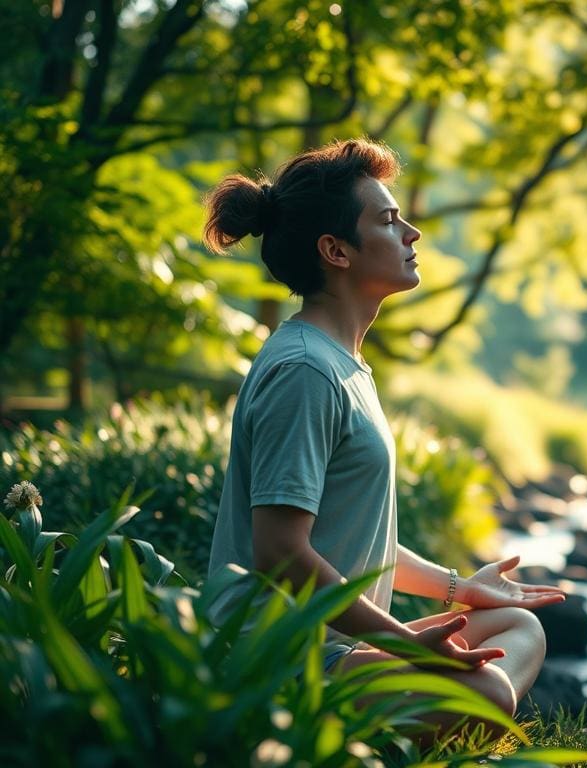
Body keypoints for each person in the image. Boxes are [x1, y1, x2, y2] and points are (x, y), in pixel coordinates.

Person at [202, 138, 565, 741]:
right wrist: (405, 644)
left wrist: (457, 587)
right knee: (486, 695)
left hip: (341, 650)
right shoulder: (305, 372)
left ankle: (390, 714)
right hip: (279, 665)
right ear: (335, 251)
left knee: (519, 626)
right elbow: (281, 553)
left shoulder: (341, 363)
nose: (412, 233)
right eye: (390, 220)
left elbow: (345, 538)